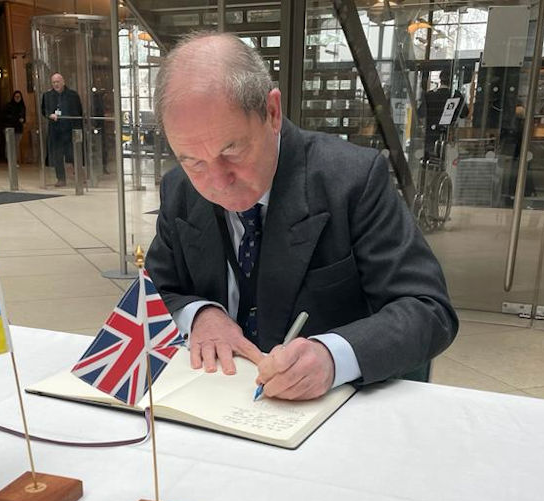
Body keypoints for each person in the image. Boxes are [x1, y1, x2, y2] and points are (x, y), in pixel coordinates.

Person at [145, 33, 458, 402]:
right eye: (193, 160)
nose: (217, 183)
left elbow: (428, 310)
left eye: (232, 150)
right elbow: (154, 292)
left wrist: (333, 355)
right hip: (215, 400)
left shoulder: (352, 179)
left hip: (330, 413)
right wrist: (200, 315)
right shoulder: (180, 189)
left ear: (272, 113)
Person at [41, 73, 83, 187]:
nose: (56, 84)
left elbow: (79, 112)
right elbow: (44, 110)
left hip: (69, 130)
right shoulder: (47, 96)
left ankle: (79, 175)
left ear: (63, 82)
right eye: (54, 82)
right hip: (56, 131)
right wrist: (49, 115)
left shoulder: (72, 95)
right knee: (57, 156)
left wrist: (78, 129)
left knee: (73, 154)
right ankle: (61, 179)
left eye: (58, 82)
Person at [417, 66, 467, 160]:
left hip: (430, 137)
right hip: (448, 136)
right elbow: (464, 114)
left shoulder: (429, 95)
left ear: (440, 79)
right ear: (452, 80)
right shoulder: (456, 95)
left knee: (430, 162)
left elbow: (420, 114)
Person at [2, 90, 26, 163]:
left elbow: (24, 117)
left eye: (19, 97)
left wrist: (22, 120)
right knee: (9, 145)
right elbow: (4, 117)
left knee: (16, 145)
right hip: (10, 128)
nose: (17, 98)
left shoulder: (22, 106)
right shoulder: (8, 106)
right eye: (16, 96)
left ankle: (14, 161)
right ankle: (9, 160)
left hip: (18, 129)